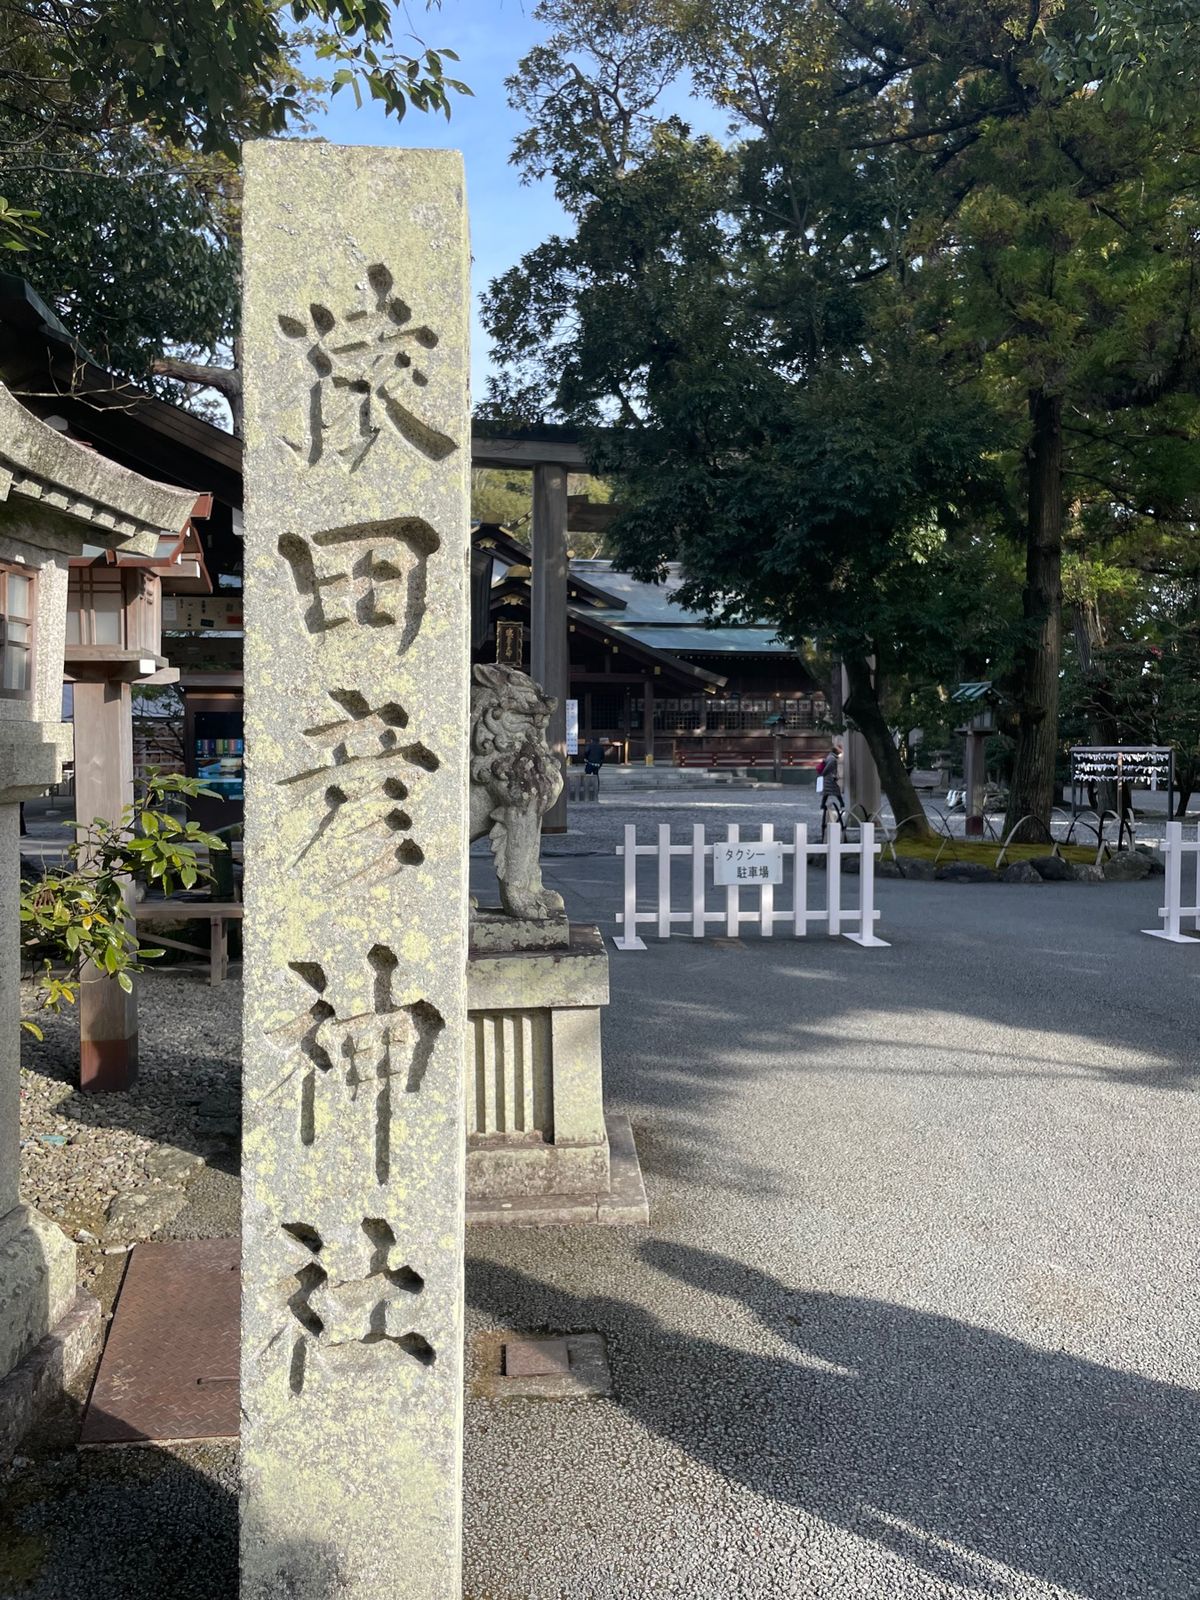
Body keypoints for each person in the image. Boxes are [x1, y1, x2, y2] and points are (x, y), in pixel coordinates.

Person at [817, 739, 844, 840]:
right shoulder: (833, 759)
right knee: (836, 791)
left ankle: (823, 804)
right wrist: (828, 774)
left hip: (827, 778)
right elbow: (829, 768)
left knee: (826, 793)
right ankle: (842, 803)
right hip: (829, 778)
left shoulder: (829, 756)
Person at [582, 736, 607, 801]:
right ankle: (596, 789)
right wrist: (600, 764)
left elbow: (586, 753)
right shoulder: (601, 747)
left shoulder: (589, 746)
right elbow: (603, 757)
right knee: (596, 775)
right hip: (597, 764)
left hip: (590, 763)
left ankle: (586, 789)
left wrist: (586, 759)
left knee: (587, 775)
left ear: (592, 740)